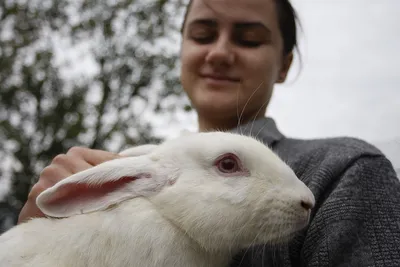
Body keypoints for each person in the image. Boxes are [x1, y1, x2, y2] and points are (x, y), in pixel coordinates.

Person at [17, 0, 400, 266]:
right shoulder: (132, 167)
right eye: (202, 35)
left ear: (283, 65)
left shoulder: (342, 171)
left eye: (249, 39)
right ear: (181, 48)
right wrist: (40, 236)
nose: (219, 52)